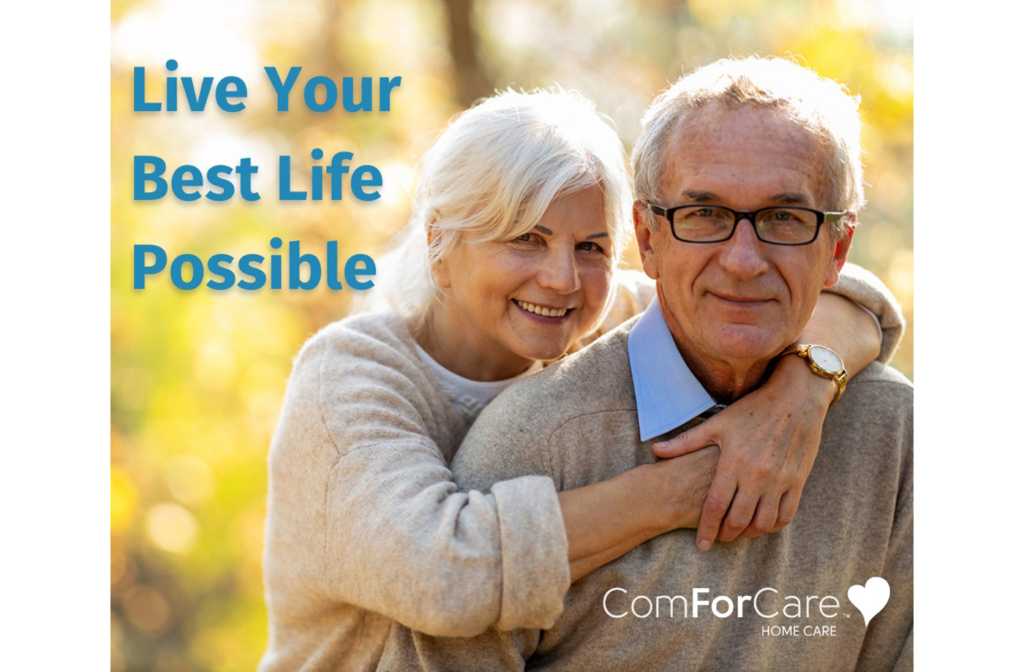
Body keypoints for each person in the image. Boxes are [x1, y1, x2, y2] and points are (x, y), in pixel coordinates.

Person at [257, 86, 904, 672]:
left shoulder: (593, 316)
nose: (562, 279)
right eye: (525, 239)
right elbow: (445, 576)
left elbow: (836, 294)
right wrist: (703, 480)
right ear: (439, 244)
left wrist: (804, 388)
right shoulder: (350, 377)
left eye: (590, 246)